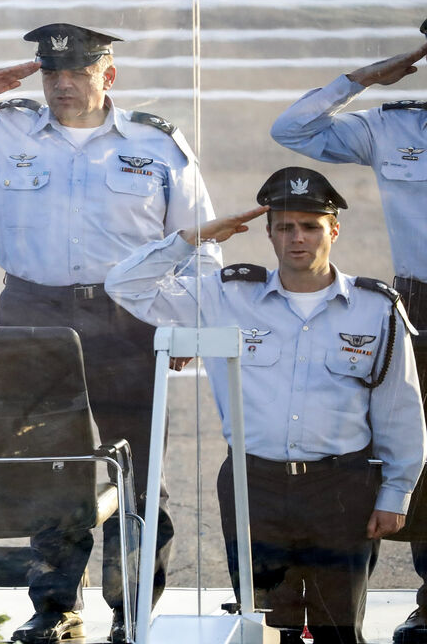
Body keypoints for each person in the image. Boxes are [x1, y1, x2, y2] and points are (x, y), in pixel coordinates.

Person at [0, 22, 219, 644]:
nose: (64, 84)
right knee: (45, 467)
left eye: (79, 73)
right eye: (52, 73)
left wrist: (183, 324)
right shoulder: (1, 129)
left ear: (107, 76)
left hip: (130, 315)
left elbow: (200, 243)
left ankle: (133, 612)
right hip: (33, 313)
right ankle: (56, 608)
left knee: (139, 472)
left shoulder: (158, 143)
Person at [105, 166, 426, 644]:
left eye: (311, 226)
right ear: (270, 235)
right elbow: (125, 285)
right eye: (285, 227)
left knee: (338, 630)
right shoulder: (227, 295)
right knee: (266, 629)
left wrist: (396, 493)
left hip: (340, 488)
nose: (299, 238)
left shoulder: (375, 307)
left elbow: (399, 408)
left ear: (333, 230)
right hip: (253, 487)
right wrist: (191, 239)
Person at [270, 31, 427, 644]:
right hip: (421, 301)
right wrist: (361, 80)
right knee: (416, 445)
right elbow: (295, 131)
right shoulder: (393, 127)